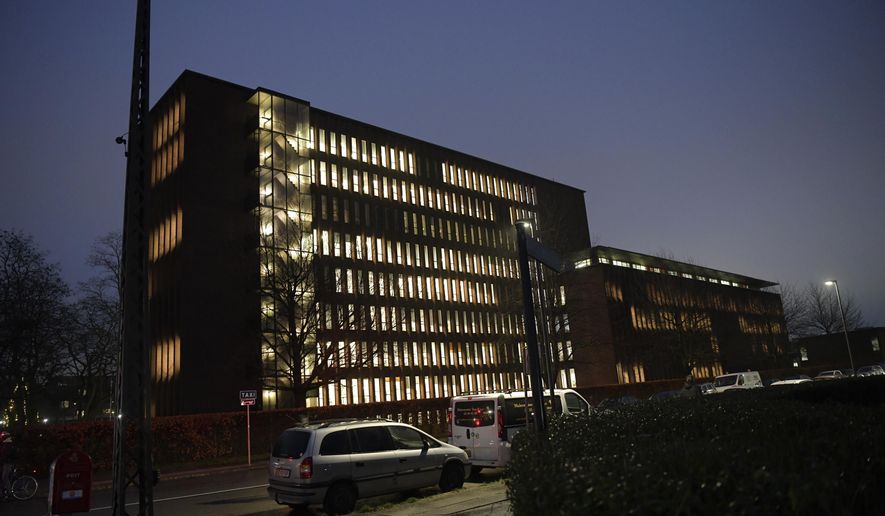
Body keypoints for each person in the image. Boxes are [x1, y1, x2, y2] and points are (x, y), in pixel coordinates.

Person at [0, 431, 14, 497]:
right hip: (5, 463)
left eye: (3, 437)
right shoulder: (5, 444)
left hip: (7, 463)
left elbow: (5, 454)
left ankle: (10, 492)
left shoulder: (8, 444)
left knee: (4, 478)